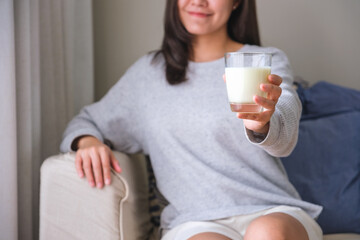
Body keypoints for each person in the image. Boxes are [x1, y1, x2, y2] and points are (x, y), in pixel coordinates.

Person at [60, 0, 323, 239]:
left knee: (268, 233)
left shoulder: (262, 60)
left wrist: (262, 124)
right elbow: (87, 120)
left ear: (237, 3)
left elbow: (285, 137)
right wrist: (87, 142)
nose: (198, 1)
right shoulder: (147, 75)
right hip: (194, 222)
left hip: (271, 210)